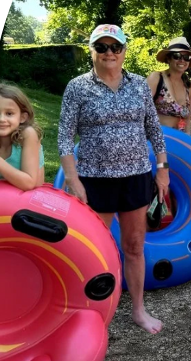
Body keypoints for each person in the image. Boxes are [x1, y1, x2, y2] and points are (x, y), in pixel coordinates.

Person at [57, 24, 170, 335]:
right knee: (94, 250)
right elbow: (65, 137)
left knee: (134, 246)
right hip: (94, 180)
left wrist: (162, 167)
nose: (109, 53)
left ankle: (137, 309)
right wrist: (72, 177)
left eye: (115, 47)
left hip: (135, 177)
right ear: (92, 50)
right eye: (102, 47)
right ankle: (91, 315)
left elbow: (154, 130)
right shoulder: (77, 87)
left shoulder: (138, 85)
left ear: (124, 50)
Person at [147, 37, 191, 132]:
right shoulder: (156, 78)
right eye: (177, 56)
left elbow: (188, 119)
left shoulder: (189, 87)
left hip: (179, 141)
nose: (182, 60)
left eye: (186, 57)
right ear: (168, 58)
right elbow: (140, 110)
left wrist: (187, 140)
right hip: (157, 139)